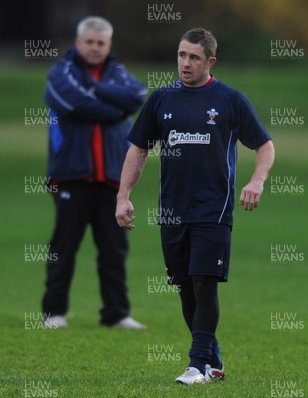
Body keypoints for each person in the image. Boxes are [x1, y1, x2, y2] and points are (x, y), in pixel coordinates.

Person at [115, 28, 275, 383]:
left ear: (210, 62)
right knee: (185, 286)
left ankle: (197, 365)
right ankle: (212, 358)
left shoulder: (230, 100)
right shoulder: (161, 100)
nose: (185, 63)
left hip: (213, 210)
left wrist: (257, 180)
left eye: (194, 58)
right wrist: (123, 196)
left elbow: (265, 146)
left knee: (205, 283)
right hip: (172, 211)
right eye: (181, 55)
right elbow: (138, 149)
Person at [41, 16, 147, 330]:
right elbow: (73, 104)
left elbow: (137, 96)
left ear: (109, 45)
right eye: (89, 42)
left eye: (101, 43)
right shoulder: (60, 72)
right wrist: (116, 110)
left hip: (113, 179)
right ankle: (54, 313)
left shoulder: (117, 72)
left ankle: (116, 314)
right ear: (78, 43)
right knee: (64, 247)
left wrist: (95, 89)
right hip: (72, 175)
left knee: (114, 250)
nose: (95, 48)